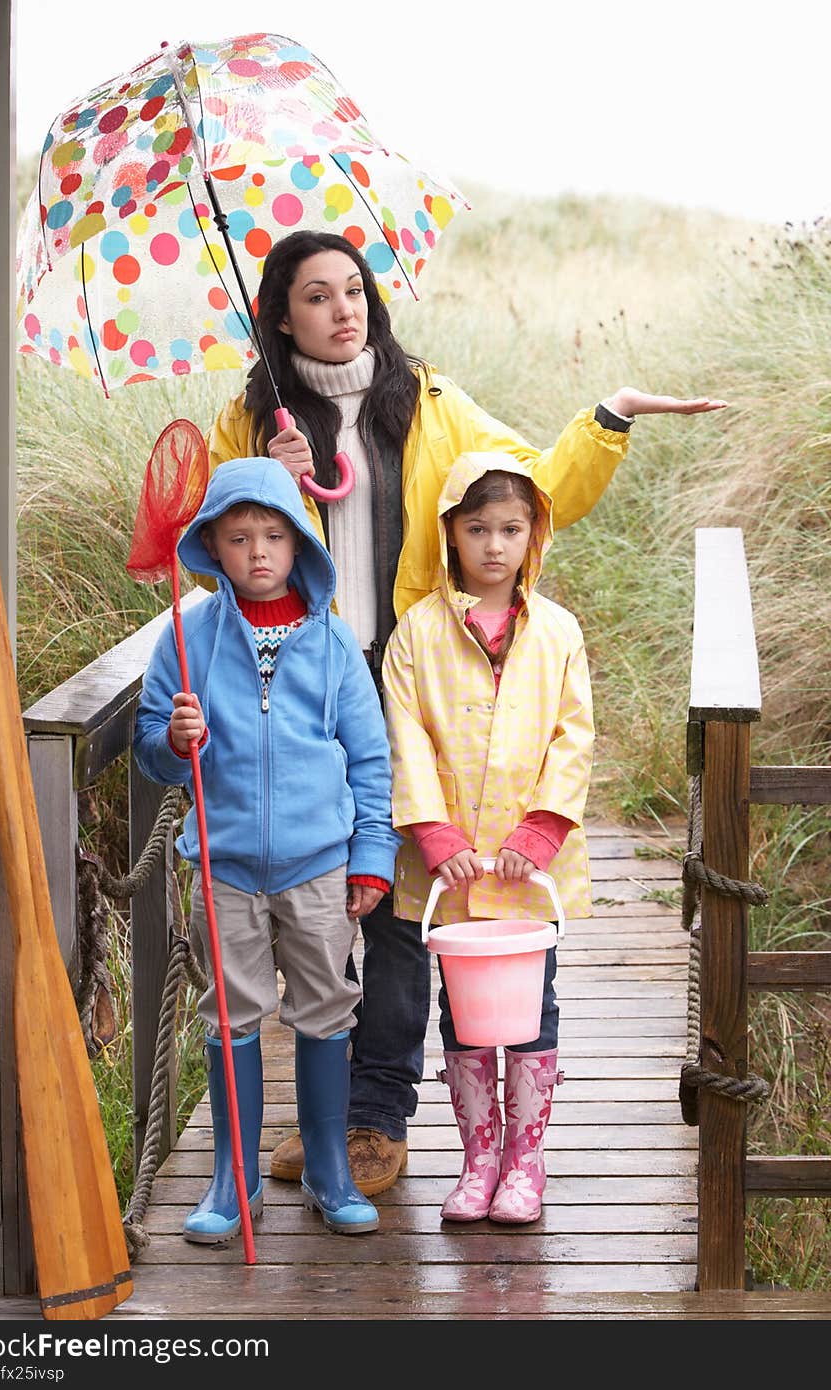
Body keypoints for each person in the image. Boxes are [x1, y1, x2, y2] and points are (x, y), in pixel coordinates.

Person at [207, 227, 727, 1196]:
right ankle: (332, 1114)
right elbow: (223, 540)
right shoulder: (252, 420)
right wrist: (269, 471)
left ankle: (373, 1120)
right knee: (325, 899)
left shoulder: (430, 404)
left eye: (353, 290)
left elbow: (534, 486)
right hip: (302, 685)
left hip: (408, 674)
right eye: (316, 296)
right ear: (280, 315)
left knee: (403, 908)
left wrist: (607, 415)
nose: (343, 309)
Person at [132, 456, 400, 1239]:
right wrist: (172, 740)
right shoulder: (187, 638)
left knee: (325, 1010)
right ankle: (232, 1178)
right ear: (210, 545)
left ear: (299, 546)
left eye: (274, 536)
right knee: (233, 1015)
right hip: (226, 865)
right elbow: (153, 743)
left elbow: (369, 754)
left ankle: (327, 1166)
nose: (257, 552)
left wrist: (372, 852)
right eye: (239, 536)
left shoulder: (334, 642)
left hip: (319, 865)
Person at [382, 452, 591, 1222]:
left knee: (534, 1007)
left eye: (511, 529)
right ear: (450, 534)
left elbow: (574, 737)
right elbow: (404, 735)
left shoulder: (558, 632)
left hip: (528, 871)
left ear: (533, 534)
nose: (495, 546)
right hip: (454, 872)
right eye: (478, 529)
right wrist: (435, 834)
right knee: (464, 1011)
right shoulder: (417, 634)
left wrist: (540, 832)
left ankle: (525, 1162)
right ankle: (478, 1161)